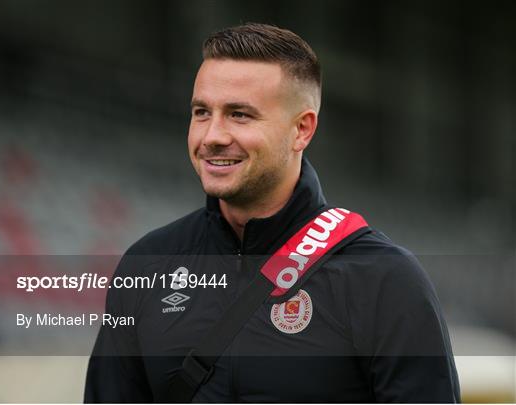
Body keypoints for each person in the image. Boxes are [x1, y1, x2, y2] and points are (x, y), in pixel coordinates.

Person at [84, 23, 460, 403]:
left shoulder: (384, 280)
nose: (212, 135)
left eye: (239, 115)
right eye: (201, 112)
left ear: (302, 129)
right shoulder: (145, 266)